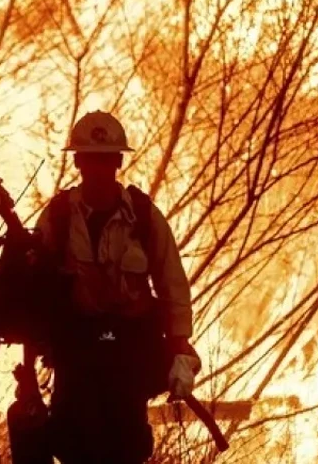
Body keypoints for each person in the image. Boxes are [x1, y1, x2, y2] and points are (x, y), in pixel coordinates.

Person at [33, 111, 201, 464]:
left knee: (126, 445)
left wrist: (181, 346)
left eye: (105, 159)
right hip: (75, 349)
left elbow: (172, 283)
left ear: (118, 161)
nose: (97, 168)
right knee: (70, 442)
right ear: (78, 161)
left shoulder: (143, 215)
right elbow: (35, 282)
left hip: (128, 351)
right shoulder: (59, 216)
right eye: (90, 159)